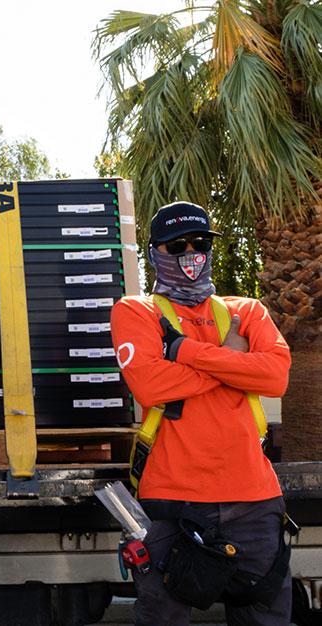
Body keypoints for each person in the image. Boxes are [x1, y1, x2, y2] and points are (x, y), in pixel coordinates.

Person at [110, 201, 293, 626]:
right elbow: (151, 385)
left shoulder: (246, 310)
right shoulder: (136, 311)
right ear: (156, 252)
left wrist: (184, 352)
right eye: (178, 245)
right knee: (163, 617)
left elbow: (277, 376)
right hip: (173, 502)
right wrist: (233, 363)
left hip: (254, 500)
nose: (191, 253)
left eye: (200, 243)